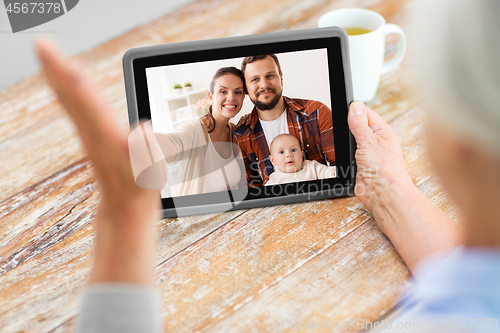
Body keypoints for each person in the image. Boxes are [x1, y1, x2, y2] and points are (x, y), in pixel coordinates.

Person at [35, 0, 500, 331]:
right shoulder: (235, 133)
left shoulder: (316, 112)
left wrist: (123, 218)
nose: (253, 88)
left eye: (264, 78)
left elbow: (337, 167)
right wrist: (390, 189)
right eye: (245, 82)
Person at [131, 66, 247, 196]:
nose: (231, 97)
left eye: (237, 92)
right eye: (223, 91)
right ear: (211, 96)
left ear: (243, 97)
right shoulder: (194, 129)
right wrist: (141, 141)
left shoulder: (233, 131)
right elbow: (173, 142)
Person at [233, 54, 335, 187]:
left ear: (281, 77)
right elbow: (251, 191)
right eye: (255, 79)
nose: (264, 85)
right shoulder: (241, 135)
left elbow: (343, 170)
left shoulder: (317, 113)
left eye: (270, 76)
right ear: (245, 88)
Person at [265, 134, 337, 186]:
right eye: (281, 152)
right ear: (273, 160)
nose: (288, 155)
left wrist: (334, 172)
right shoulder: (274, 179)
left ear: (301, 155)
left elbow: (327, 172)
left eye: (293, 150)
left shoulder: (311, 167)